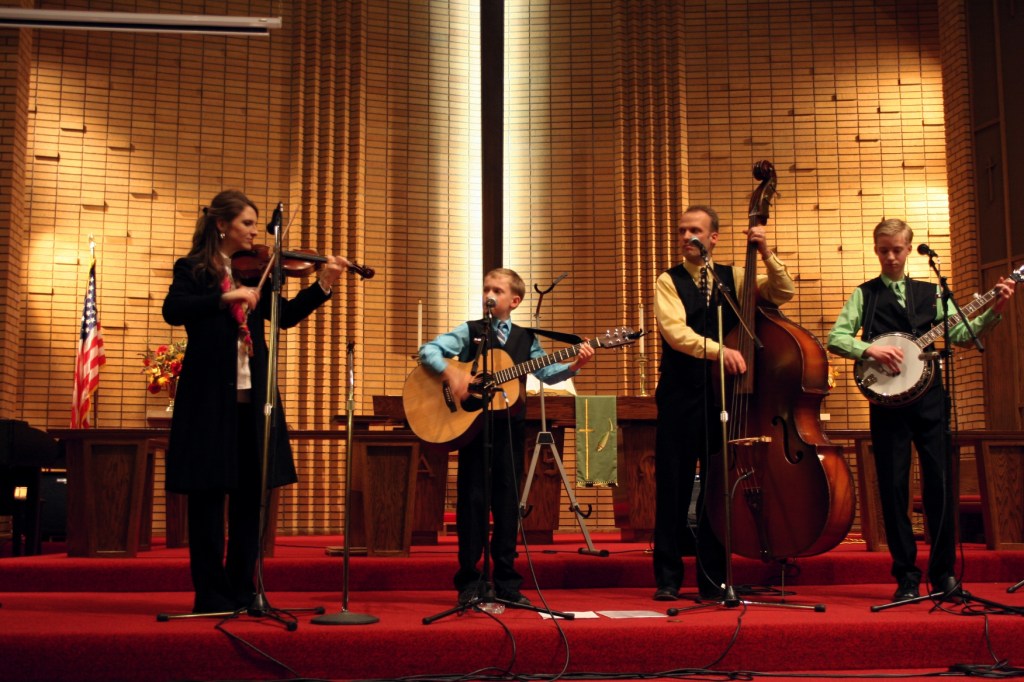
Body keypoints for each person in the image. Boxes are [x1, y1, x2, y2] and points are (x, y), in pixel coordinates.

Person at [162, 190, 350, 614]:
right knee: (209, 497)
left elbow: (286, 315)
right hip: (209, 397)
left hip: (254, 398)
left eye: (254, 223)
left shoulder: (257, 272)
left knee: (251, 497)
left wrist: (325, 282)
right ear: (222, 225)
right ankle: (210, 594)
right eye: (247, 223)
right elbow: (173, 310)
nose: (253, 231)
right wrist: (225, 298)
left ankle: (242, 588)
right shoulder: (193, 268)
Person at [827, 218, 1015, 602]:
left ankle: (944, 573)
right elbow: (836, 337)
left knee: (940, 485)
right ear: (876, 250)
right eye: (883, 250)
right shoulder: (865, 295)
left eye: (897, 249)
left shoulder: (933, 292)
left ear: (909, 249)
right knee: (894, 488)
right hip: (887, 405)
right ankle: (906, 576)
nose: (891, 256)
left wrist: (993, 309)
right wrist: (870, 349)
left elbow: (961, 335)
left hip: (932, 400)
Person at [419, 268, 595, 607]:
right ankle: (469, 582)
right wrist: (452, 372)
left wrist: (574, 365)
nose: (489, 295)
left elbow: (546, 372)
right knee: (471, 505)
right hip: (472, 429)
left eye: (497, 290)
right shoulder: (470, 331)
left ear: (514, 301)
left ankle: (507, 582)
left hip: (510, 431)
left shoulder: (526, 339)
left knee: (506, 506)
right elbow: (428, 351)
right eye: (486, 288)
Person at [652, 205, 795, 601]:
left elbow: (782, 293)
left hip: (725, 397)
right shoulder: (669, 279)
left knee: (718, 489)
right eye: (682, 230)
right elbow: (675, 333)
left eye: (695, 231)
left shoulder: (733, 276)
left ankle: (714, 578)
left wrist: (766, 253)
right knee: (674, 488)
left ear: (713, 237)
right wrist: (719, 350)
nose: (686, 237)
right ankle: (667, 577)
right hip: (681, 395)